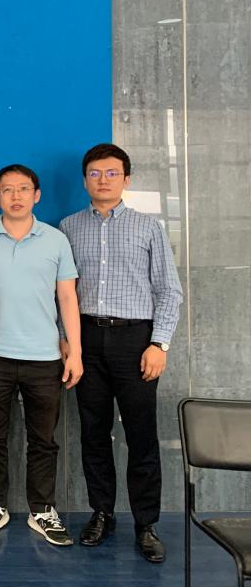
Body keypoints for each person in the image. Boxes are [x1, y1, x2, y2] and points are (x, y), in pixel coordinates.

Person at [60, 143, 183, 564]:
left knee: (141, 436)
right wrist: (65, 340)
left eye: (112, 173)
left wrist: (159, 343)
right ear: (85, 180)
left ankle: (146, 524)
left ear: (126, 179)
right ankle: (101, 513)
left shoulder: (148, 228)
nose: (103, 180)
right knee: (93, 433)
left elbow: (169, 291)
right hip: (86, 341)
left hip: (136, 342)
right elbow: (62, 292)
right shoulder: (69, 227)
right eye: (95, 173)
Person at [0, 164, 83, 547]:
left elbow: (67, 297)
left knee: (43, 440)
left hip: (44, 356)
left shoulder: (56, 240)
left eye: (23, 189)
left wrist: (75, 350)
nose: (16, 196)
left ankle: (42, 510)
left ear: (37, 195)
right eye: (7, 189)